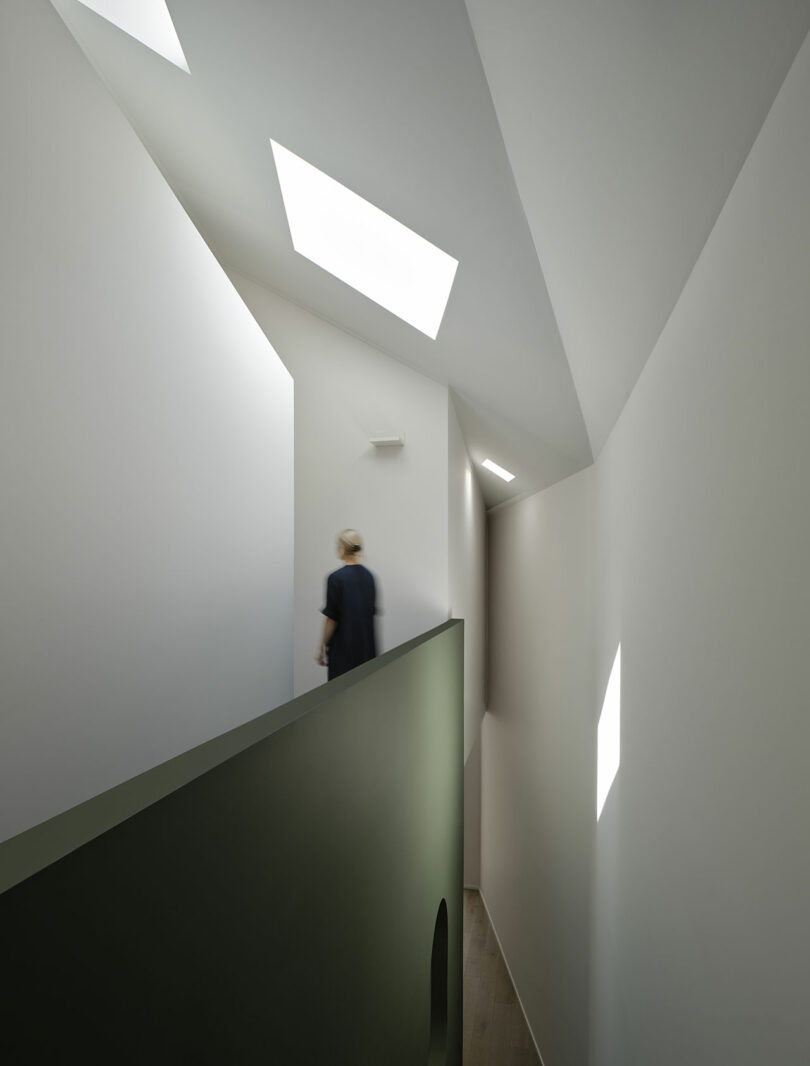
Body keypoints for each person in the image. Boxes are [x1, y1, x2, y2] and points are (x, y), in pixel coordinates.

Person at [316, 529, 377, 681]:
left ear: (342, 547)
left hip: (342, 652)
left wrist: (321, 646)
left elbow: (332, 618)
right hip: (366, 651)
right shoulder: (369, 577)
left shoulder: (335, 578)